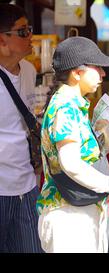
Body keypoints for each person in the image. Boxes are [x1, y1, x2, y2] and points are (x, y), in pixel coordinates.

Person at [36, 36, 109, 253]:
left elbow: (90, 157)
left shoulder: (74, 106)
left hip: (78, 212)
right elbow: (71, 164)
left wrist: (104, 130)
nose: (103, 74)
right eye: (97, 68)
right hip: (69, 217)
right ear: (77, 73)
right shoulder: (65, 107)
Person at [0, 3, 43, 253]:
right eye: (23, 31)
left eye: (29, 29)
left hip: (27, 184)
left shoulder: (29, 70)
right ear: (3, 39)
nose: (31, 36)